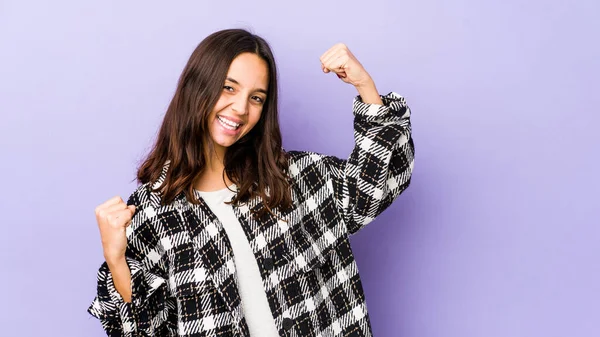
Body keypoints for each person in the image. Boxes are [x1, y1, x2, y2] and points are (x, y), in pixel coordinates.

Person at [88, 28, 414, 337]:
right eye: (228, 88)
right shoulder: (151, 214)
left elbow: (376, 185)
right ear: (196, 86)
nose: (241, 108)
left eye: (257, 98)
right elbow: (147, 331)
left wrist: (366, 87)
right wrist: (116, 258)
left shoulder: (293, 178)